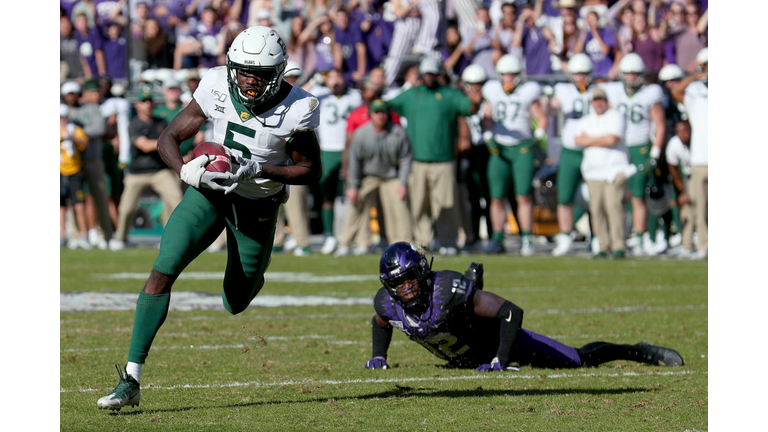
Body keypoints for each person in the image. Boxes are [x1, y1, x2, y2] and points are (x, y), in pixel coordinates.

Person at [97, 26, 323, 410]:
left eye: (259, 74)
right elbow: (168, 137)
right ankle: (131, 378)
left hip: (257, 204)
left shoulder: (297, 106)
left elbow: (310, 170)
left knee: (236, 300)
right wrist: (184, 170)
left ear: (277, 73)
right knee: (163, 268)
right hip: (210, 193)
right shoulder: (216, 83)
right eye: (243, 71)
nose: (249, 81)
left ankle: (254, 268)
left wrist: (259, 169)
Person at [365, 242, 684, 370]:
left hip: (500, 343)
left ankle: (637, 351)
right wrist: (379, 355)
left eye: (410, 279)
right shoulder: (387, 304)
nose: (406, 288)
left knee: (578, 360)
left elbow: (510, 312)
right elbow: (380, 321)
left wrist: (500, 359)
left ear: (422, 272)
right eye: (398, 283)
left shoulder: (446, 289)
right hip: (468, 357)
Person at [386, 57, 483, 255]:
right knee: (419, 205)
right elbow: (387, 106)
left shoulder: (449, 95)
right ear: (421, 75)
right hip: (417, 160)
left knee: (445, 204)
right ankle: (423, 242)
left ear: (437, 75)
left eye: (432, 74)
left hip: (443, 160)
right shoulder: (412, 94)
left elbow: (470, 108)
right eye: (426, 74)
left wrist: (475, 101)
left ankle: (449, 241)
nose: (429, 77)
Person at [481, 54, 547, 256]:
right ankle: (497, 238)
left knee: (523, 195)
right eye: (505, 74)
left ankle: (526, 238)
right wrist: (488, 133)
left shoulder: (528, 91)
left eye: (512, 74)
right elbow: (487, 116)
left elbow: (541, 117)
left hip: (522, 148)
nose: (508, 78)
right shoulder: (492, 90)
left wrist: (538, 136)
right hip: (499, 148)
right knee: (496, 197)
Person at [600, 53, 665, 256]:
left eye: (635, 73)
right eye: (628, 73)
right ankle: (615, 237)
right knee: (616, 195)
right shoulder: (613, 91)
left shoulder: (650, 93)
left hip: (640, 148)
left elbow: (660, 124)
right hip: (619, 149)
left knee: (638, 196)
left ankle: (640, 237)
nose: (631, 77)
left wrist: (655, 152)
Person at [110, 88, 184, 251]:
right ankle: (121, 238)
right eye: (144, 101)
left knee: (176, 199)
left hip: (159, 171)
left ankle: (169, 238)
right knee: (126, 208)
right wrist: (164, 142)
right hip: (137, 172)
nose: (148, 104)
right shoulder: (134, 124)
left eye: (150, 101)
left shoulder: (161, 122)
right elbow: (143, 145)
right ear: (137, 105)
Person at [337, 99, 413, 256]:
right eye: (377, 112)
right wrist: (353, 187)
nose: (380, 116)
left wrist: (403, 183)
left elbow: (405, 159)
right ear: (371, 115)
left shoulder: (398, 132)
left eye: (383, 112)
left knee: (399, 205)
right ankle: (346, 243)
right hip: (369, 175)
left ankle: (402, 244)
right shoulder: (361, 133)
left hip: (391, 176)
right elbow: (354, 162)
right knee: (357, 203)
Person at [575, 88, 634, 258]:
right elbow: (578, 140)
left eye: (601, 100)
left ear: (606, 101)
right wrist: (600, 139)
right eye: (596, 100)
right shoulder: (586, 120)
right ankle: (603, 245)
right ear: (591, 103)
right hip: (593, 172)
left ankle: (619, 245)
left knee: (614, 206)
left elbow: (612, 139)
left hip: (614, 169)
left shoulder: (616, 116)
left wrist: (590, 140)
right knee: (597, 209)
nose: (599, 103)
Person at [313, 68, 364, 255]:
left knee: (357, 192)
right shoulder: (319, 94)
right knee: (328, 194)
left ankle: (357, 236)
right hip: (327, 149)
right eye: (331, 77)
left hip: (350, 148)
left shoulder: (354, 95)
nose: (335, 81)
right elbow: (299, 94)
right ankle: (330, 235)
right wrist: (316, 80)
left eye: (338, 76)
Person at [549, 54, 596, 256]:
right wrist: (548, 102)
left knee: (596, 196)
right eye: (577, 74)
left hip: (592, 150)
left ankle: (597, 236)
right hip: (570, 151)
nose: (580, 78)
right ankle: (566, 236)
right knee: (564, 196)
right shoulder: (564, 90)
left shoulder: (597, 91)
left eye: (584, 74)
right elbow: (552, 107)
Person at [671, 47, 707, 260]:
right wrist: (696, 76)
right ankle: (704, 245)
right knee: (699, 208)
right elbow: (676, 91)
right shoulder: (695, 91)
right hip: (700, 158)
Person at [60, 104, 91, 249]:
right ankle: (61, 236)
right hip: (59, 171)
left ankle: (84, 236)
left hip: (74, 171)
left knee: (79, 204)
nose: (62, 120)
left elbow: (85, 142)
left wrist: (70, 136)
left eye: (64, 117)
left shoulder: (74, 129)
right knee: (60, 206)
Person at [665, 120, 694, 258]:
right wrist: (683, 191)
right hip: (688, 178)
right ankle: (687, 244)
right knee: (687, 212)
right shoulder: (674, 145)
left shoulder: (699, 141)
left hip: (701, 175)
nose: (683, 135)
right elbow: (673, 169)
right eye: (679, 131)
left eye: (685, 131)